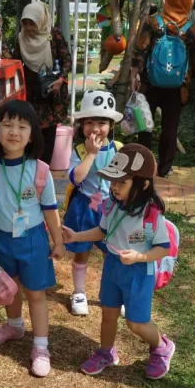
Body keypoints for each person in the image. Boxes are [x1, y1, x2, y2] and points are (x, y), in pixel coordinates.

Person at [62, 144, 176, 380]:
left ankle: (162, 346)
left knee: (136, 323)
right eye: (113, 181)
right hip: (113, 266)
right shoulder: (111, 204)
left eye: (121, 182)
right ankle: (106, 352)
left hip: (138, 272)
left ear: (143, 184)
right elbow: (102, 231)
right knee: (108, 313)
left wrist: (139, 257)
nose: (114, 187)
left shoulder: (151, 214)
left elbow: (163, 248)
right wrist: (76, 236)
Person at [0, 100, 66, 377]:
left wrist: (58, 240)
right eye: (7, 125)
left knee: (35, 293)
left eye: (22, 126)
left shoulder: (40, 170)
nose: (14, 132)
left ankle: (40, 346)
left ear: (32, 134)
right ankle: (14, 325)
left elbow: (50, 208)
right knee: (8, 288)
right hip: (1, 239)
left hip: (33, 239)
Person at [129, 0, 195, 177]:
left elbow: (141, 48)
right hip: (178, 87)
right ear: (188, 5)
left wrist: (134, 74)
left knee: (145, 125)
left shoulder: (153, 23)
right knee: (170, 128)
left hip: (150, 83)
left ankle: (143, 166)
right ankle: (165, 168)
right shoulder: (191, 29)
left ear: (169, 1)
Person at [62, 90, 124, 317]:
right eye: (89, 122)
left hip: (112, 208)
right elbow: (76, 177)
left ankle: (118, 291)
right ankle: (79, 292)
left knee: (115, 253)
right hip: (84, 209)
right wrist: (90, 154)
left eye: (102, 122)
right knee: (82, 251)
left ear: (111, 125)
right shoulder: (79, 150)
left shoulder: (118, 148)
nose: (96, 128)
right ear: (82, 125)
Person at [13, 1, 71, 165]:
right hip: (31, 94)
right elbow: (15, 63)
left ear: (41, 20)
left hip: (52, 93)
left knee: (48, 136)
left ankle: (43, 174)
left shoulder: (54, 35)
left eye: (33, 23)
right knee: (30, 132)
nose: (29, 28)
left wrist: (60, 80)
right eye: (25, 23)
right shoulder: (21, 39)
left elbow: (67, 60)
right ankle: (30, 169)